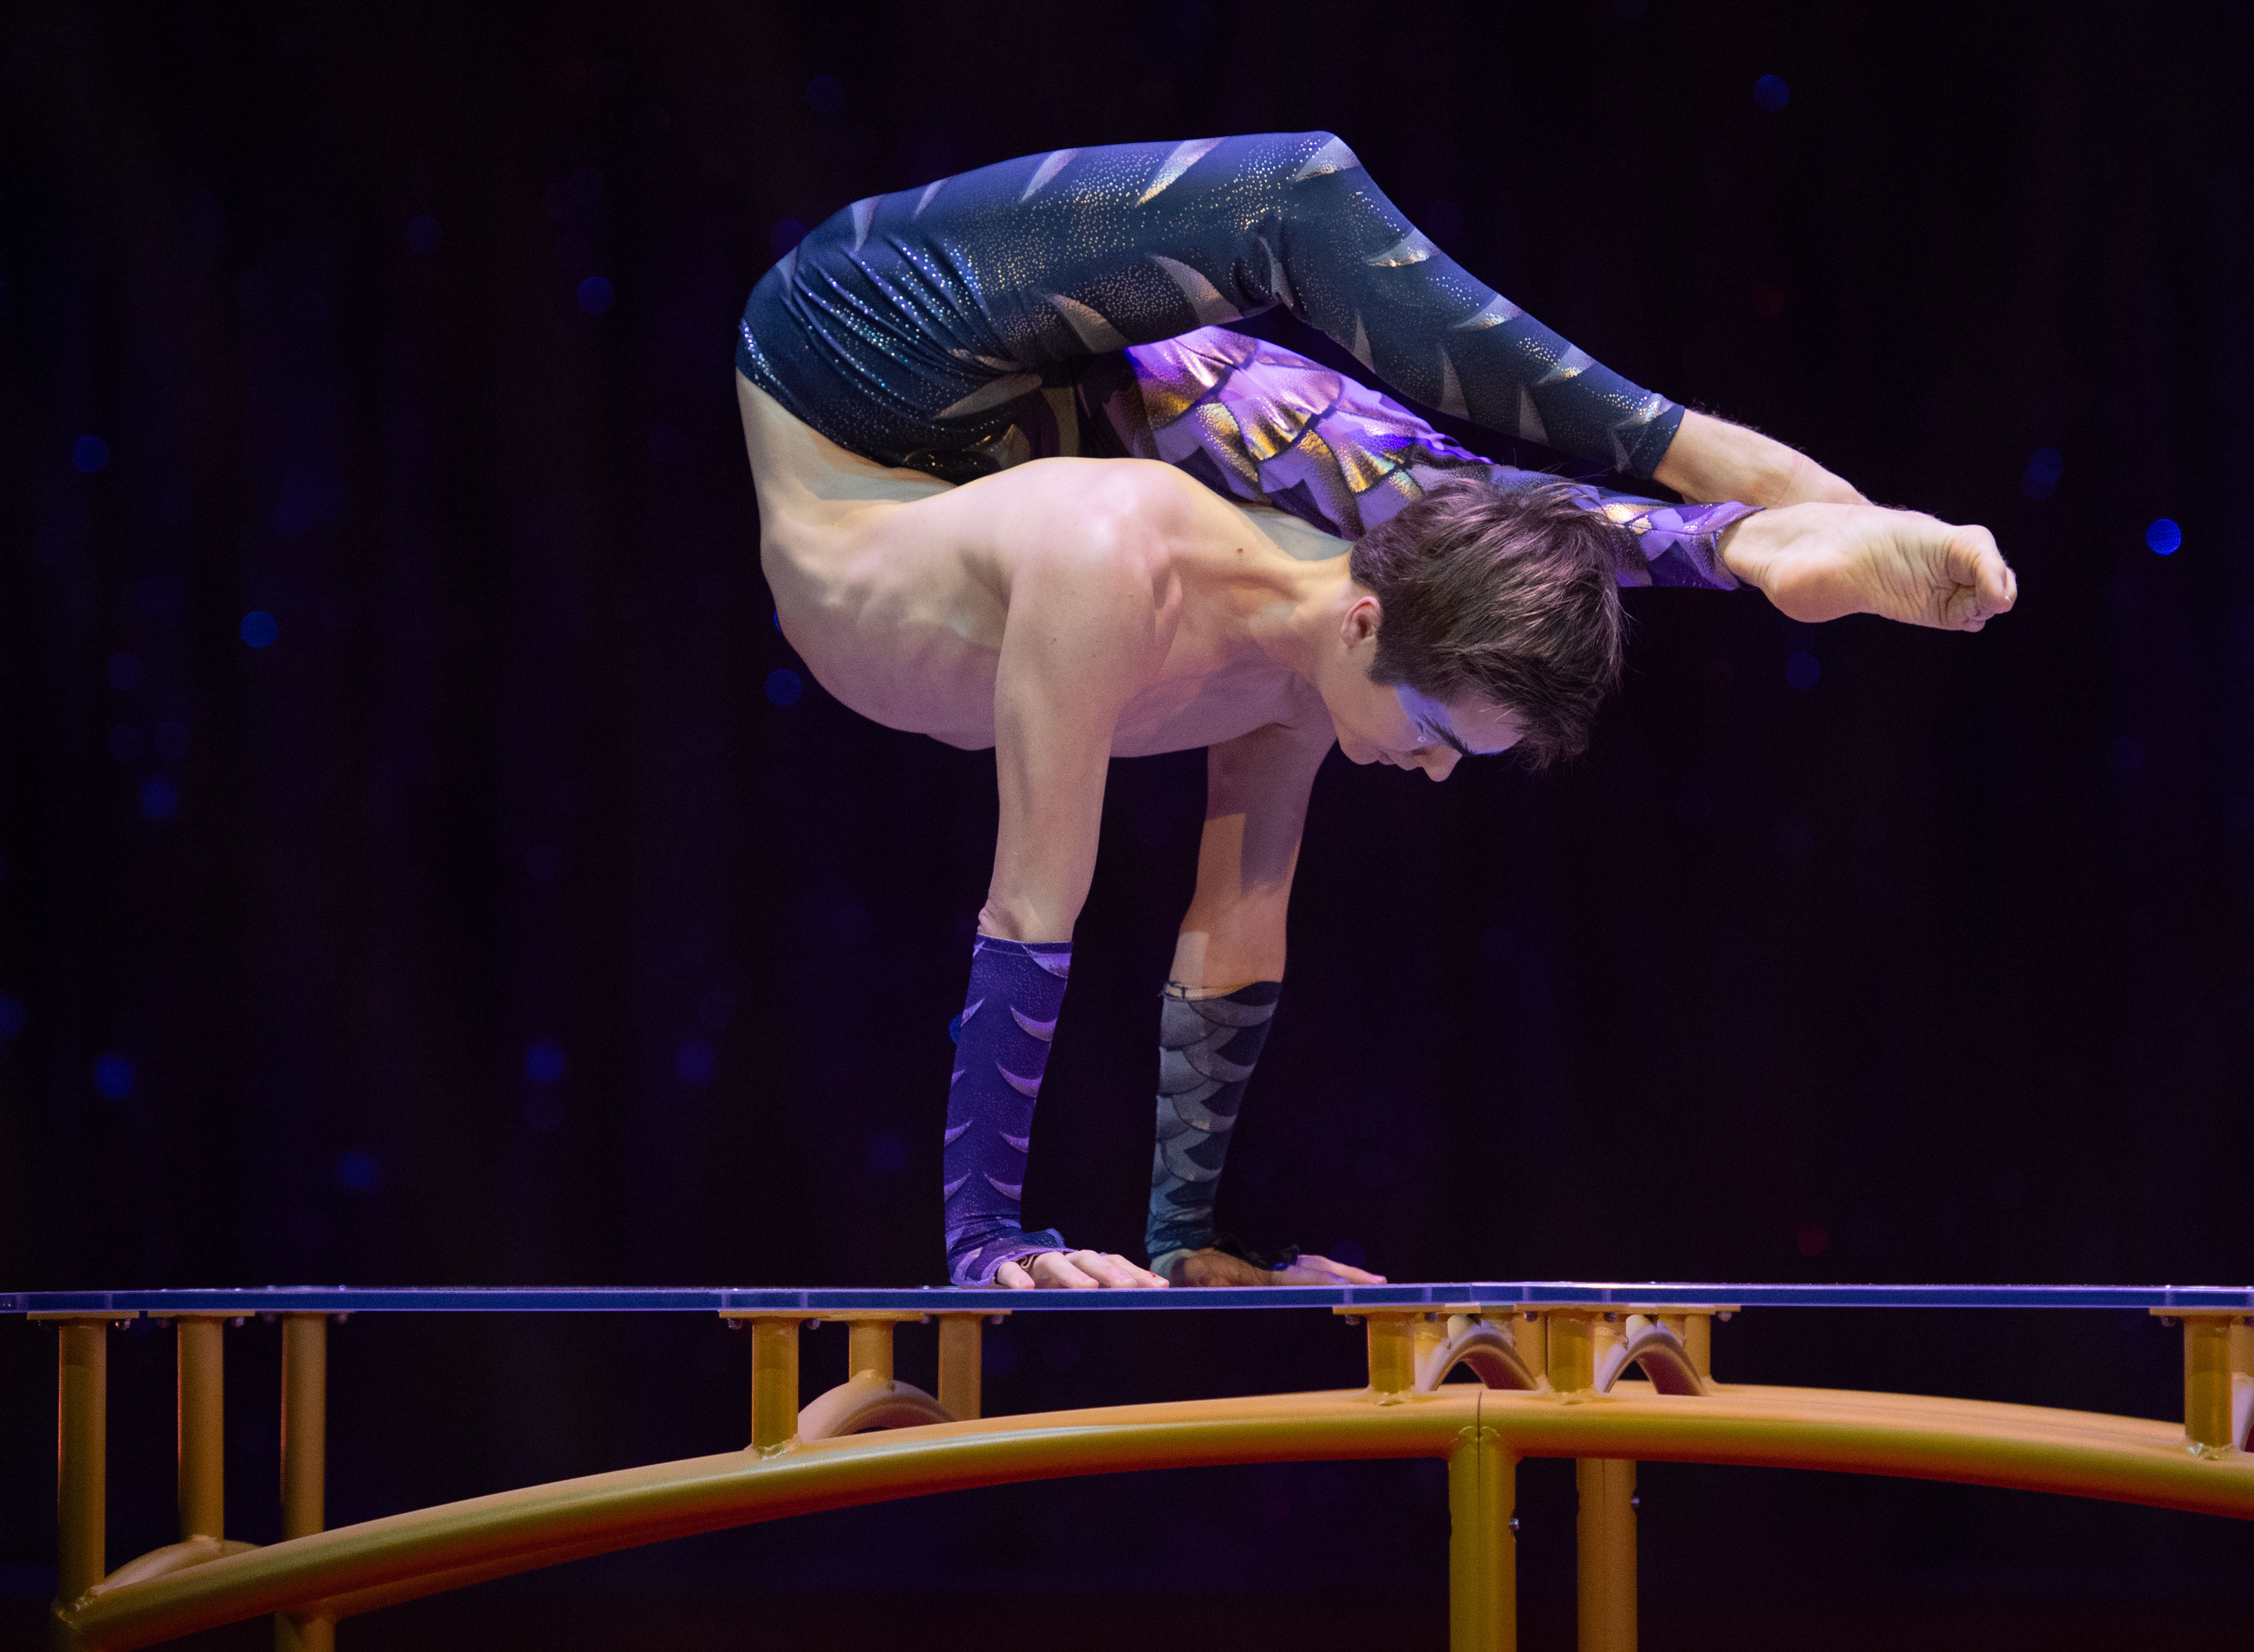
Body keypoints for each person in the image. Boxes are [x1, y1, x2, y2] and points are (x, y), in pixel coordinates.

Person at [734, 132, 2016, 1290]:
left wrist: (1186, 1239)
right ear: (1361, 626)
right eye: (1444, 738)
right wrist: (985, 1241)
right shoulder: (1109, 561)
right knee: (1302, 204)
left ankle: (1730, 548)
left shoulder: (1310, 665)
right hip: (861, 372)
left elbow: (1235, 915)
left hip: (1057, 428)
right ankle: (1729, 502)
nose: (1436, 774)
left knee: (1422, 519)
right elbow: (1029, 905)